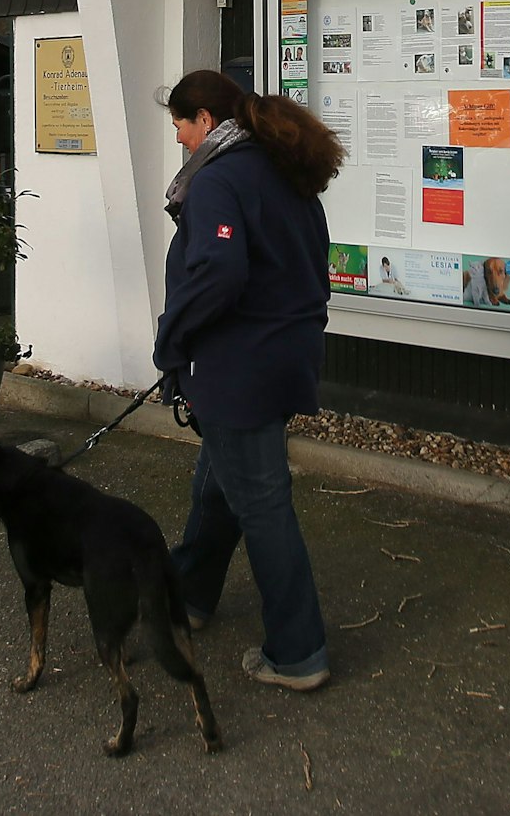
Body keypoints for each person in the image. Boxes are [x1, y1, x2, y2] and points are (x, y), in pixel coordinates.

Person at [152, 69, 345, 693]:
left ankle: (297, 652)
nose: (179, 138)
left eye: (181, 124)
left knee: (262, 504)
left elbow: (218, 275)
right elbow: (312, 263)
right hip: (284, 356)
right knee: (220, 485)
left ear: (206, 121)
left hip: (239, 367)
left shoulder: (218, 182)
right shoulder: (283, 172)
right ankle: (190, 594)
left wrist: (172, 341)